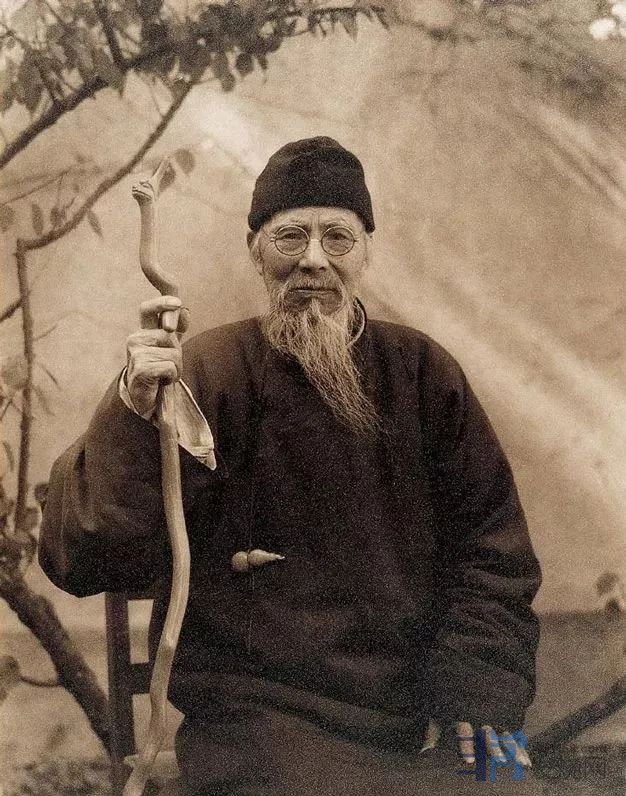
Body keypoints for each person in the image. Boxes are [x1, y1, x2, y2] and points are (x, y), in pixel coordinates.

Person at [40, 137, 543, 795]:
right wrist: (133, 410)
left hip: (414, 715)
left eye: (337, 237)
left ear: (365, 252)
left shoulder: (422, 373)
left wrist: (478, 690)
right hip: (258, 724)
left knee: (509, 787)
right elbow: (87, 557)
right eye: (290, 237)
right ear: (256, 252)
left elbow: (492, 554)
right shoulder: (206, 373)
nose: (313, 259)